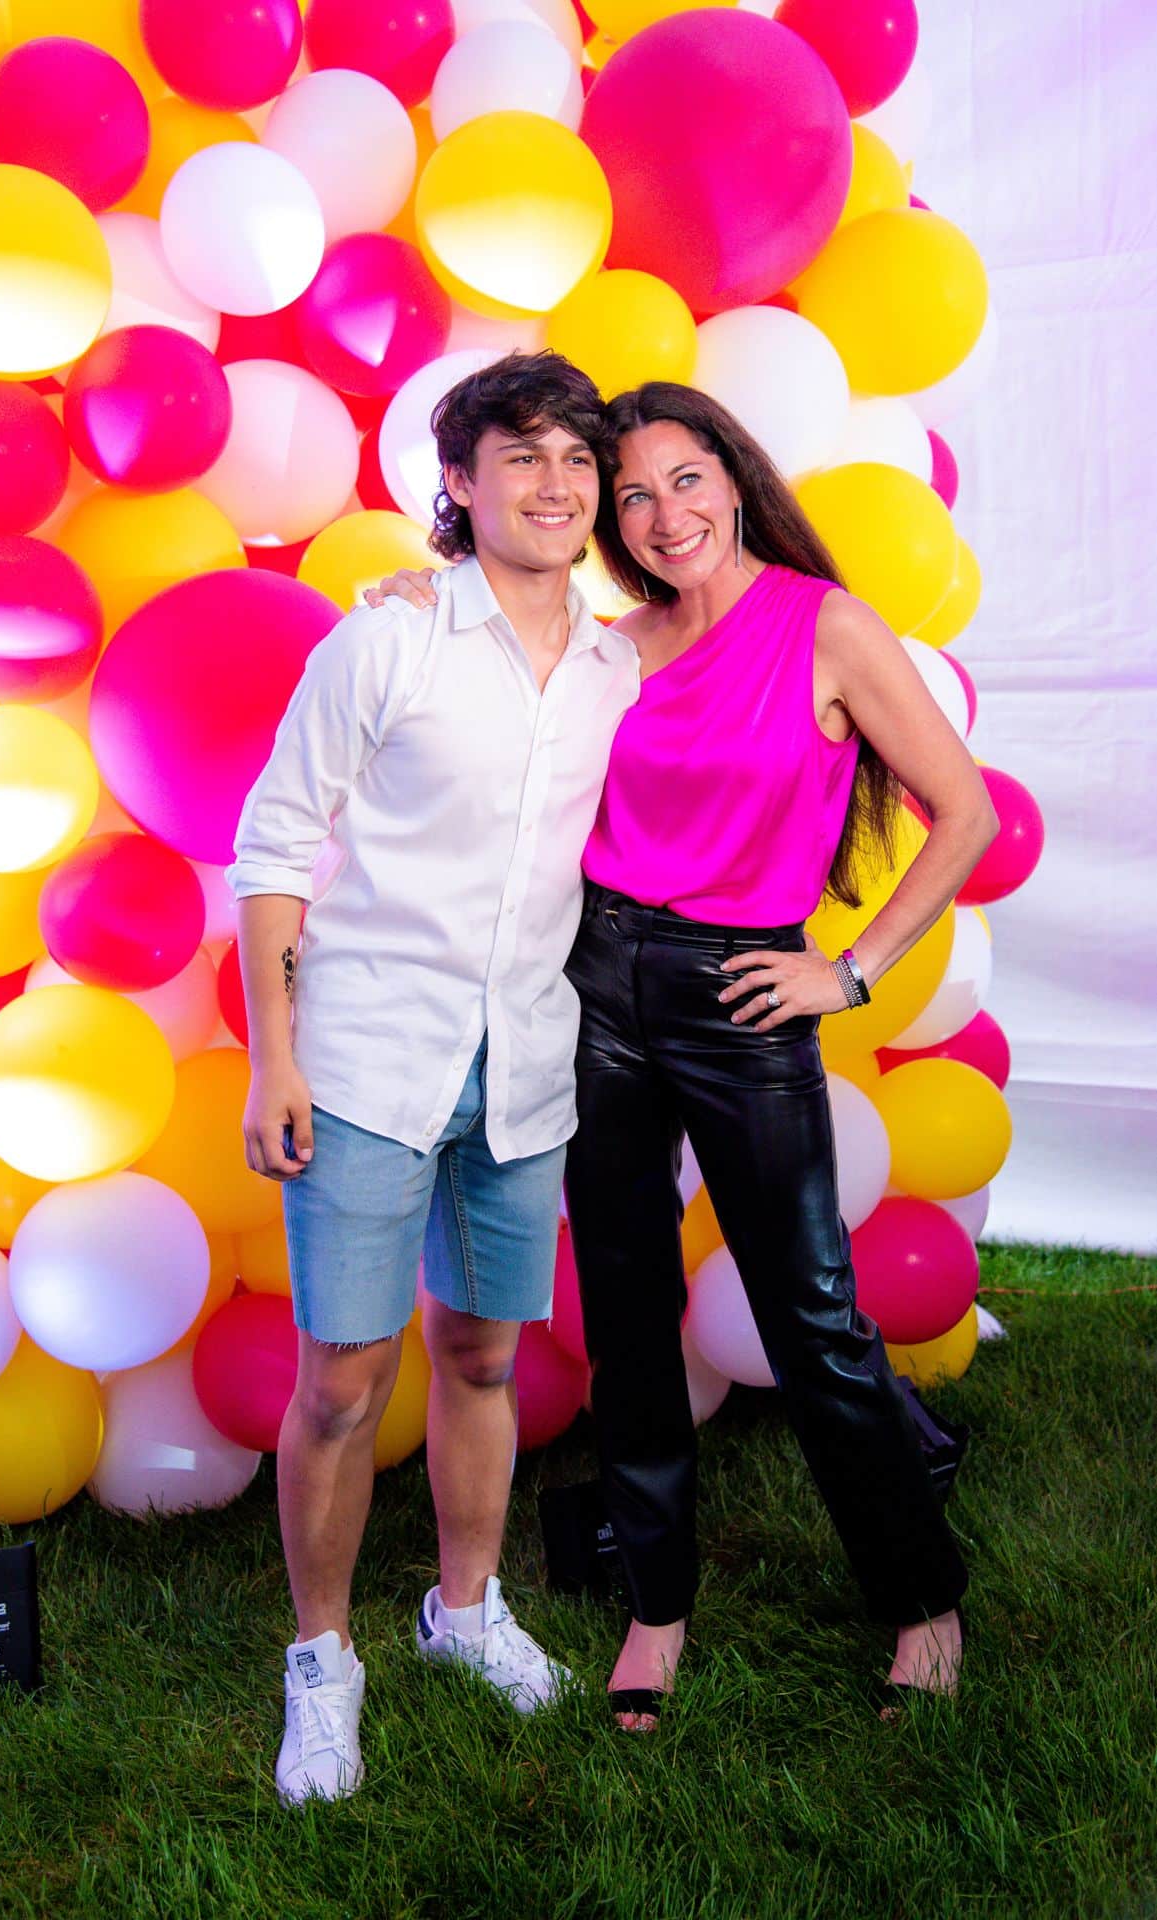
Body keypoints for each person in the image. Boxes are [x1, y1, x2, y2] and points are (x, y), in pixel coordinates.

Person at [372, 379, 998, 1732]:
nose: (663, 515)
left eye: (686, 479)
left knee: (810, 1314)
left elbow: (960, 809)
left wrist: (849, 969)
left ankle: (918, 1598)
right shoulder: (616, 649)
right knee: (627, 1313)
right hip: (593, 984)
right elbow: (490, 704)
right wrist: (408, 611)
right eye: (635, 492)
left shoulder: (823, 626)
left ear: (735, 476)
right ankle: (655, 1609)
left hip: (740, 996)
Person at [227, 351, 640, 1804]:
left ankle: (463, 1610)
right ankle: (321, 1661)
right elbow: (275, 853)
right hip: (363, 1063)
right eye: (519, 456)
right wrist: (274, 1058)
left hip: (526, 1071)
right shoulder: (385, 642)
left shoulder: (618, 664)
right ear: (457, 486)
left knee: (481, 1355)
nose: (555, 484)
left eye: (577, 460)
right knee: (342, 1381)